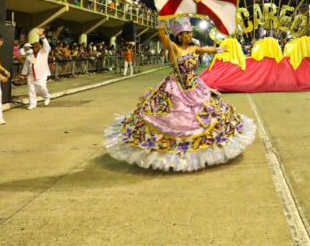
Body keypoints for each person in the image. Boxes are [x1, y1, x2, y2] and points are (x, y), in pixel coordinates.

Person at [104, 17, 256, 171]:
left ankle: (204, 145)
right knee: (175, 117)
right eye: (186, 34)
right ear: (179, 36)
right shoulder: (175, 48)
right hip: (177, 87)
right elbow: (163, 37)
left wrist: (220, 50)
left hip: (195, 86)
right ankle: (171, 151)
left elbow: (207, 49)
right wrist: (162, 23)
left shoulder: (193, 49)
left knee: (210, 111)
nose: (189, 36)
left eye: (190, 33)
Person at [24, 29, 52, 110]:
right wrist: (23, 74)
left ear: (39, 46)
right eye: (34, 46)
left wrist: (42, 36)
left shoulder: (44, 52)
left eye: (36, 46)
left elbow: (47, 46)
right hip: (31, 74)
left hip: (42, 73)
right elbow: (27, 64)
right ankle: (33, 104)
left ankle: (46, 96)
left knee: (42, 87)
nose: (35, 48)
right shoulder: (30, 55)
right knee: (31, 89)